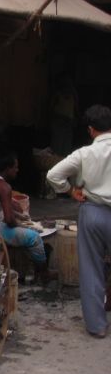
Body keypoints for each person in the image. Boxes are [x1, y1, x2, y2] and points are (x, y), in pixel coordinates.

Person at [47, 104, 111, 338]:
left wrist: (69, 190)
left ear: (91, 130)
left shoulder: (84, 153)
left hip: (92, 212)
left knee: (92, 269)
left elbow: (53, 175)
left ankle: (97, 326)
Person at [0, 152, 54, 283]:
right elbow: (9, 221)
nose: (17, 170)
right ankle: (44, 272)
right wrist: (24, 226)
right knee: (35, 238)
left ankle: (32, 270)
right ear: (7, 169)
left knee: (25, 232)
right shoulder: (4, 187)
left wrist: (20, 216)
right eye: (15, 167)